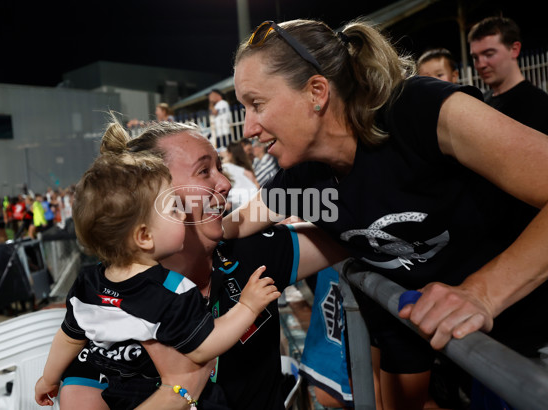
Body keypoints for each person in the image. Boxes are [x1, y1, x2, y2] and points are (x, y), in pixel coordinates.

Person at [226, 18, 548, 409]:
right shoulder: (304, 179)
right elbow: (234, 224)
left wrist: (481, 293)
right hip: (461, 350)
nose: (248, 127)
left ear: (316, 91)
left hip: (530, 342)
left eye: (256, 104)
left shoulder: (419, 111)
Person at [57, 120, 348, 410]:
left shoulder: (250, 250)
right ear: (153, 196)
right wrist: (178, 391)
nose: (224, 183)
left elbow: (355, 232)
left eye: (220, 168)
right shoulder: (105, 304)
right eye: (204, 171)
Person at [469, 15, 548, 134]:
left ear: (514, 49)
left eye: (489, 54)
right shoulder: (481, 103)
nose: (481, 64)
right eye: (475, 57)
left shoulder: (541, 106)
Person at [220, 140, 259, 211]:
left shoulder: (225, 168)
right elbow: (257, 186)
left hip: (241, 208)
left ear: (230, 154)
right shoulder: (248, 170)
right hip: (256, 202)